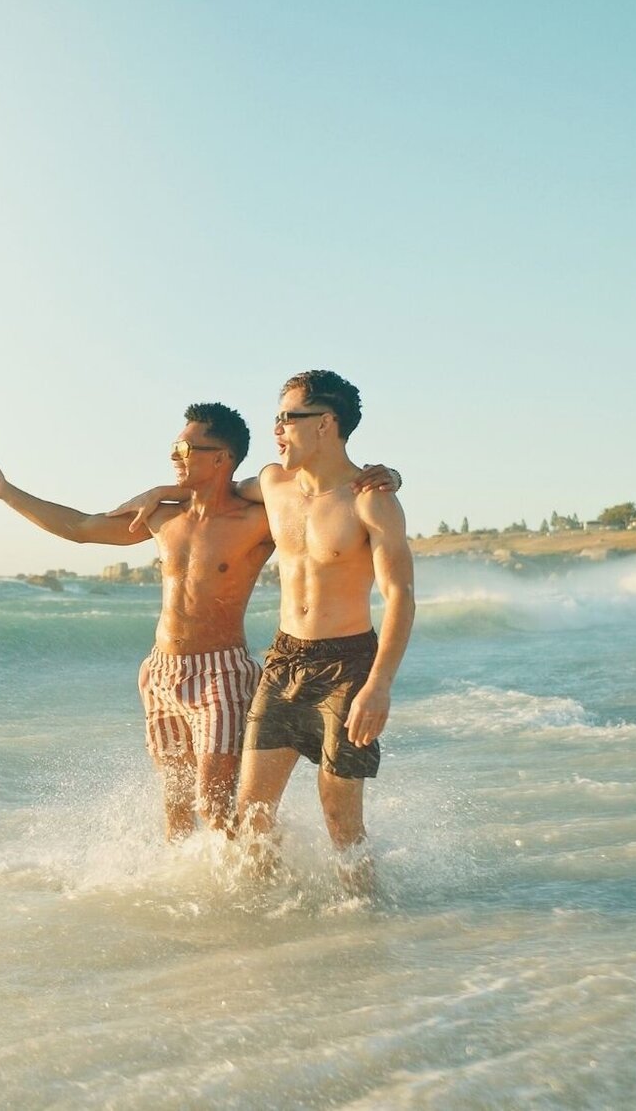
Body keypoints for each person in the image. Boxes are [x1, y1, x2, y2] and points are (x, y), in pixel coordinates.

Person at [0, 404, 398, 840]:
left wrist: (390, 476)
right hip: (161, 674)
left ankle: (255, 892)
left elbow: (316, 492)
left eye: (185, 450)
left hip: (220, 675)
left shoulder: (256, 519)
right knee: (177, 810)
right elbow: (81, 527)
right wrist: (6, 492)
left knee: (214, 806)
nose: (173, 457)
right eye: (174, 449)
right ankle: (185, 909)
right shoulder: (162, 516)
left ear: (220, 457)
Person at [120, 372, 412, 893]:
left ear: (325, 423)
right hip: (283, 660)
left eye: (288, 418)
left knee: (340, 819)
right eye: (276, 417)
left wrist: (380, 684)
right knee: (251, 814)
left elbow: (400, 598)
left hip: (347, 665)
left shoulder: (371, 500)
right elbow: (220, 488)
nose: (277, 428)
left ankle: (366, 927)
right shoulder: (275, 483)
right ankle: (264, 929)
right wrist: (165, 488)